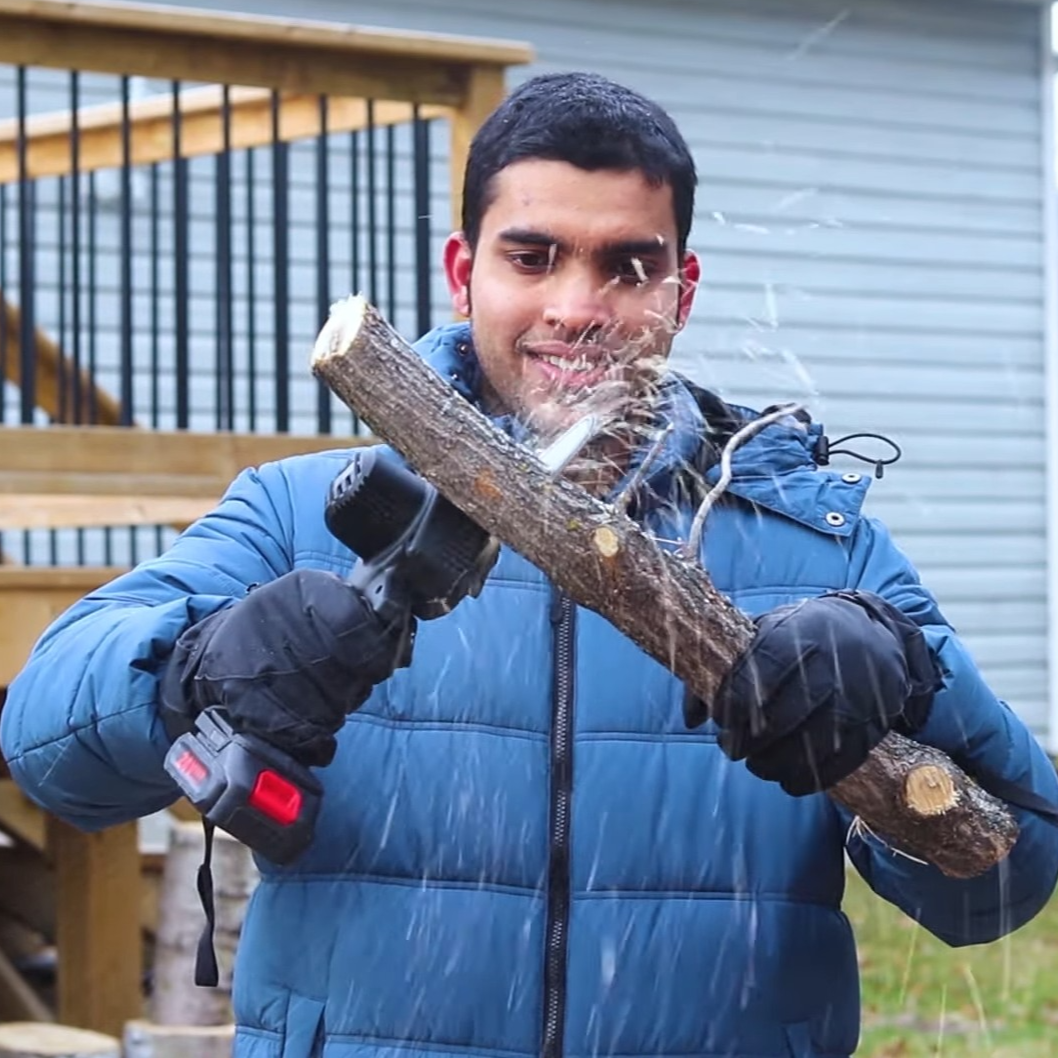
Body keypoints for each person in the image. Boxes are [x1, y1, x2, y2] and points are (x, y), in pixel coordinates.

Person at [3, 71, 1057, 1058]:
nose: (577, 307)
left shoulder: (816, 549)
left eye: (627, 265)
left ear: (681, 290)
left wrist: (908, 679)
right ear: (463, 271)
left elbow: (1004, 884)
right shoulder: (299, 514)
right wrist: (194, 671)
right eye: (533, 255)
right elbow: (47, 741)